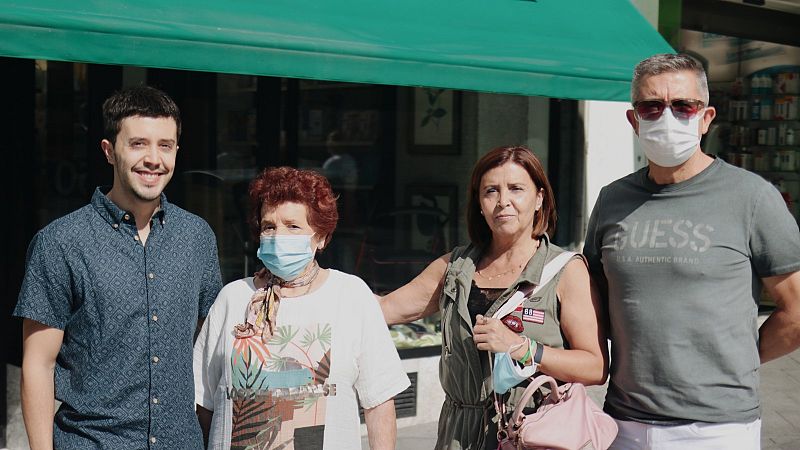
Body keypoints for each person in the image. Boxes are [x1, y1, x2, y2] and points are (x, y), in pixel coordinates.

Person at [583, 53, 800, 449]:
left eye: (683, 105)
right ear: (634, 120)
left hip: (716, 428)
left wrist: (737, 361)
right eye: (651, 106)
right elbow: (591, 298)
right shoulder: (612, 200)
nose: (667, 117)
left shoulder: (752, 198)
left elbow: (797, 311)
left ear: (706, 117)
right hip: (624, 422)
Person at [14, 86, 223, 448]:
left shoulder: (197, 237)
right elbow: (38, 365)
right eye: (138, 143)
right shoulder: (61, 243)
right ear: (109, 151)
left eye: (165, 145)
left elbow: (213, 347)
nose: (154, 159)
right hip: (91, 441)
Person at [381, 145, 608, 449]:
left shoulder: (565, 271)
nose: (503, 202)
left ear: (539, 198)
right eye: (491, 191)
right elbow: (385, 309)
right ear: (478, 202)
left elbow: (594, 367)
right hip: (459, 435)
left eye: (516, 189)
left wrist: (522, 348)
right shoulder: (455, 268)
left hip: (532, 432)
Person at [193, 166, 409, 450]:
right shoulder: (232, 298)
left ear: (320, 237)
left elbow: (379, 403)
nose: (278, 235)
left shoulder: (351, 296)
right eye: (269, 226)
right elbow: (203, 404)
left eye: (293, 226)